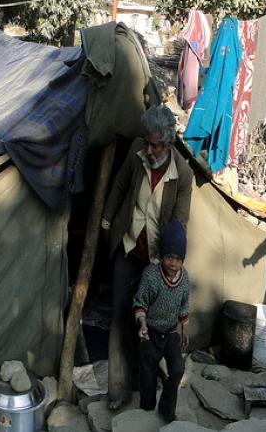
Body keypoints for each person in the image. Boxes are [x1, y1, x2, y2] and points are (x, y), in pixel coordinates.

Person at [101, 104, 193, 410]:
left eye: (155, 144)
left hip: (156, 260)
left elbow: (179, 223)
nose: (149, 148)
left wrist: (166, 267)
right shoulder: (138, 152)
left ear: (168, 144)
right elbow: (120, 185)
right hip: (129, 247)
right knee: (119, 316)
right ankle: (117, 390)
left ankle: (145, 382)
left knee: (152, 324)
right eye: (148, 142)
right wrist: (107, 220)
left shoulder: (182, 174)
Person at [133, 218, 190, 423]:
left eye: (177, 259)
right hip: (151, 332)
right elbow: (140, 303)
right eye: (169, 257)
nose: (173, 263)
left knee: (177, 369)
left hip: (172, 332)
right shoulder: (151, 276)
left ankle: (167, 410)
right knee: (147, 373)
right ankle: (146, 410)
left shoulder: (185, 279)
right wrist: (142, 324)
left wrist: (184, 329)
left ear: (183, 259)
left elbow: (184, 305)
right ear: (162, 256)